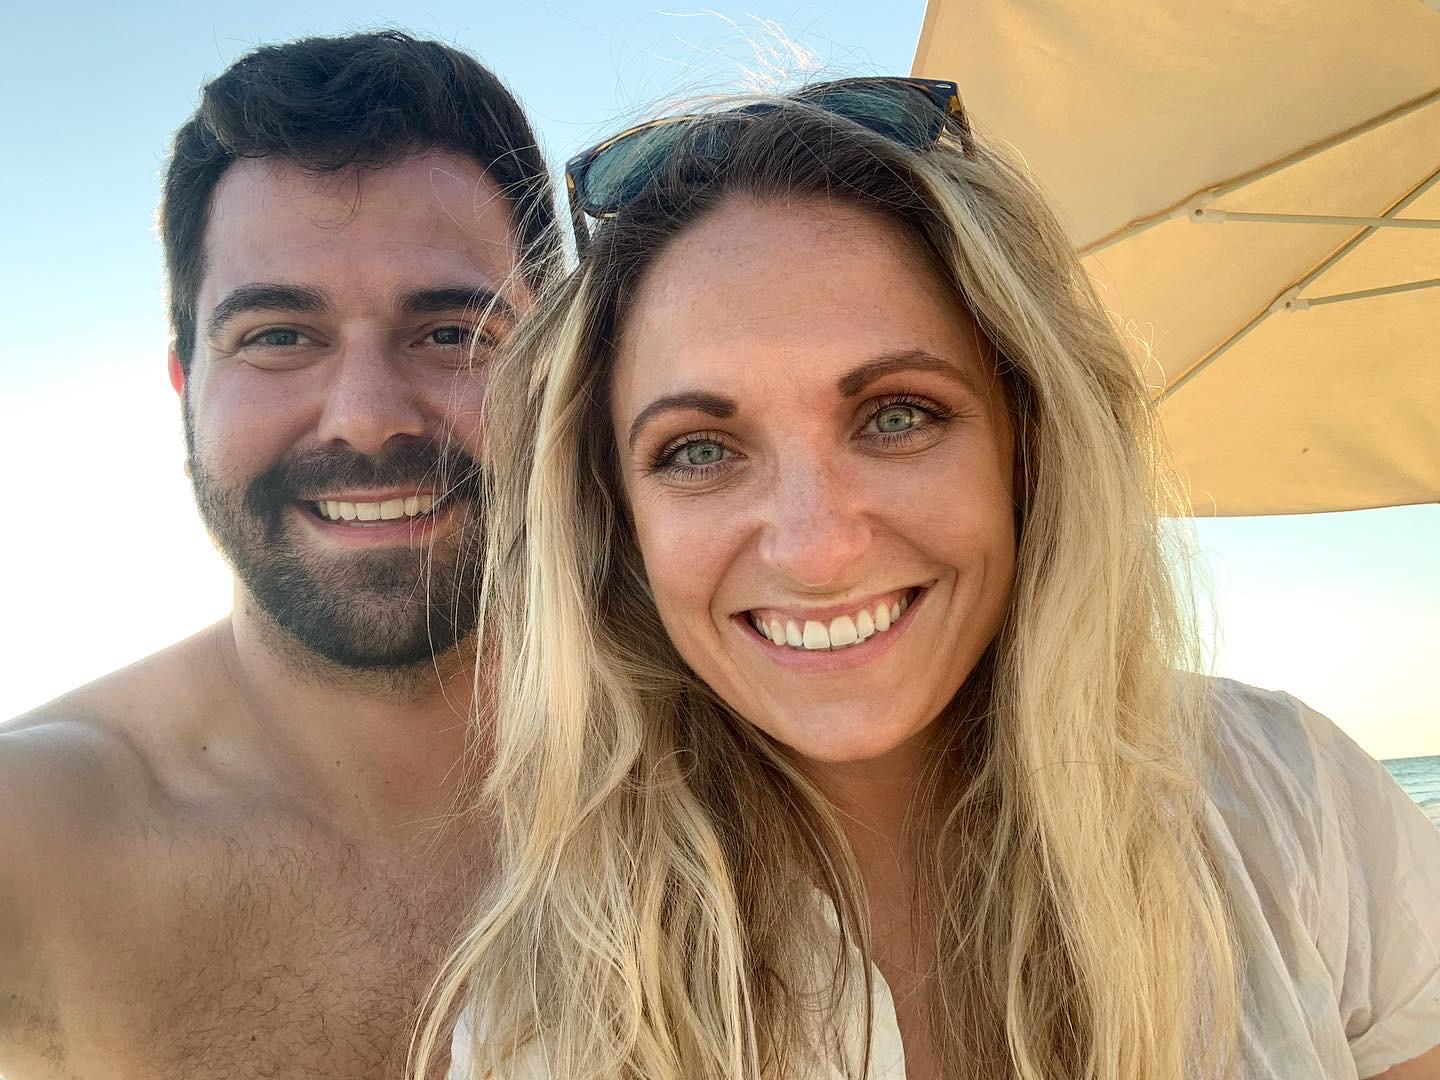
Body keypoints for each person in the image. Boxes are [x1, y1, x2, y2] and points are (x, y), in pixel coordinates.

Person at [416, 80, 1440, 1079]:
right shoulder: (540, 1027)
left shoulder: (1299, 813)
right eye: (699, 450)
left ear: (1028, 442)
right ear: (616, 518)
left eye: (897, 416)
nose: (816, 549)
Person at [0, 31, 558, 1080]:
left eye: (453, 332)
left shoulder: (725, 770)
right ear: (185, 383)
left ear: (558, 368)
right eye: (278, 336)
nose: (366, 418)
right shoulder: (35, 841)